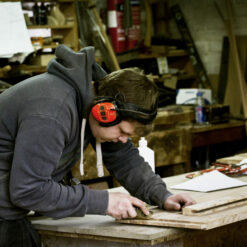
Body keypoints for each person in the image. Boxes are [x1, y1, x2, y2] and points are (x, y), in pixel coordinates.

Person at [0, 45, 195, 247]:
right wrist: (105, 202)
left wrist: (162, 195)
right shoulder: (53, 112)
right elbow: (29, 190)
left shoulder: (91, 100)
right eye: (122, 132)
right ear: (103, 111)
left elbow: (124, 158)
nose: (122, 139)